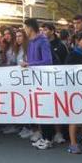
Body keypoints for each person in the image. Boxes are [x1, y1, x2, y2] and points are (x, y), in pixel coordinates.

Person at [23, 18, 55, 149]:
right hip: (34, 80)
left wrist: (30, 64)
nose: (24, 30)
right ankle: (43, 136)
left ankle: (48, 139)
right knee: (39, 109)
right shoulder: (31, 42)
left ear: (30, 27)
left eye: (25, 27)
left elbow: (48, 61)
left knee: (45, 109)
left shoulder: (43, 41)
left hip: (43, 81)